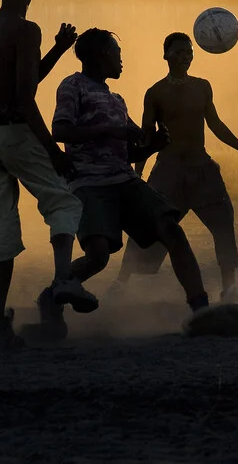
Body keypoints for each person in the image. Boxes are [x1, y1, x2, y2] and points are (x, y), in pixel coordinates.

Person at [0, 0, 97, 349]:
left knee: (2, 223)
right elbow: (24, 99)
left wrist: (57, 50)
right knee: (64, 200)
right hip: (13, 132)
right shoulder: (26, 29)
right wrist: (52, 150)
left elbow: (19, 80)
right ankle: (62, 281)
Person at [51, 28, 210, 331]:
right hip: (89, 184)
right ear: (101, 56)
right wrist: (111, 131)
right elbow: (61, 131)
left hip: (125, 180)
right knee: (98, 257)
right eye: (117, 54)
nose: (122, 61)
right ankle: (54, 294)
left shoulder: (117, 99)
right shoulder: (73, 86)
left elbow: (132, 148)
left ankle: (200, 308)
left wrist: (154, 145)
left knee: (171, 230)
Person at [106, 32, 238, 301]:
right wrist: (138, 173)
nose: (185, 56)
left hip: (202, 170)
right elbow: (146, 134)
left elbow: (215, 123)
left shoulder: (202, 87)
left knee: (224, 222)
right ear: (165, 55)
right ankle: (121, 283)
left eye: (188, 51)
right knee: (148, 225)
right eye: (178, 51)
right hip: (168, 172)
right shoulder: (155, 93)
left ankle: (230, 287)